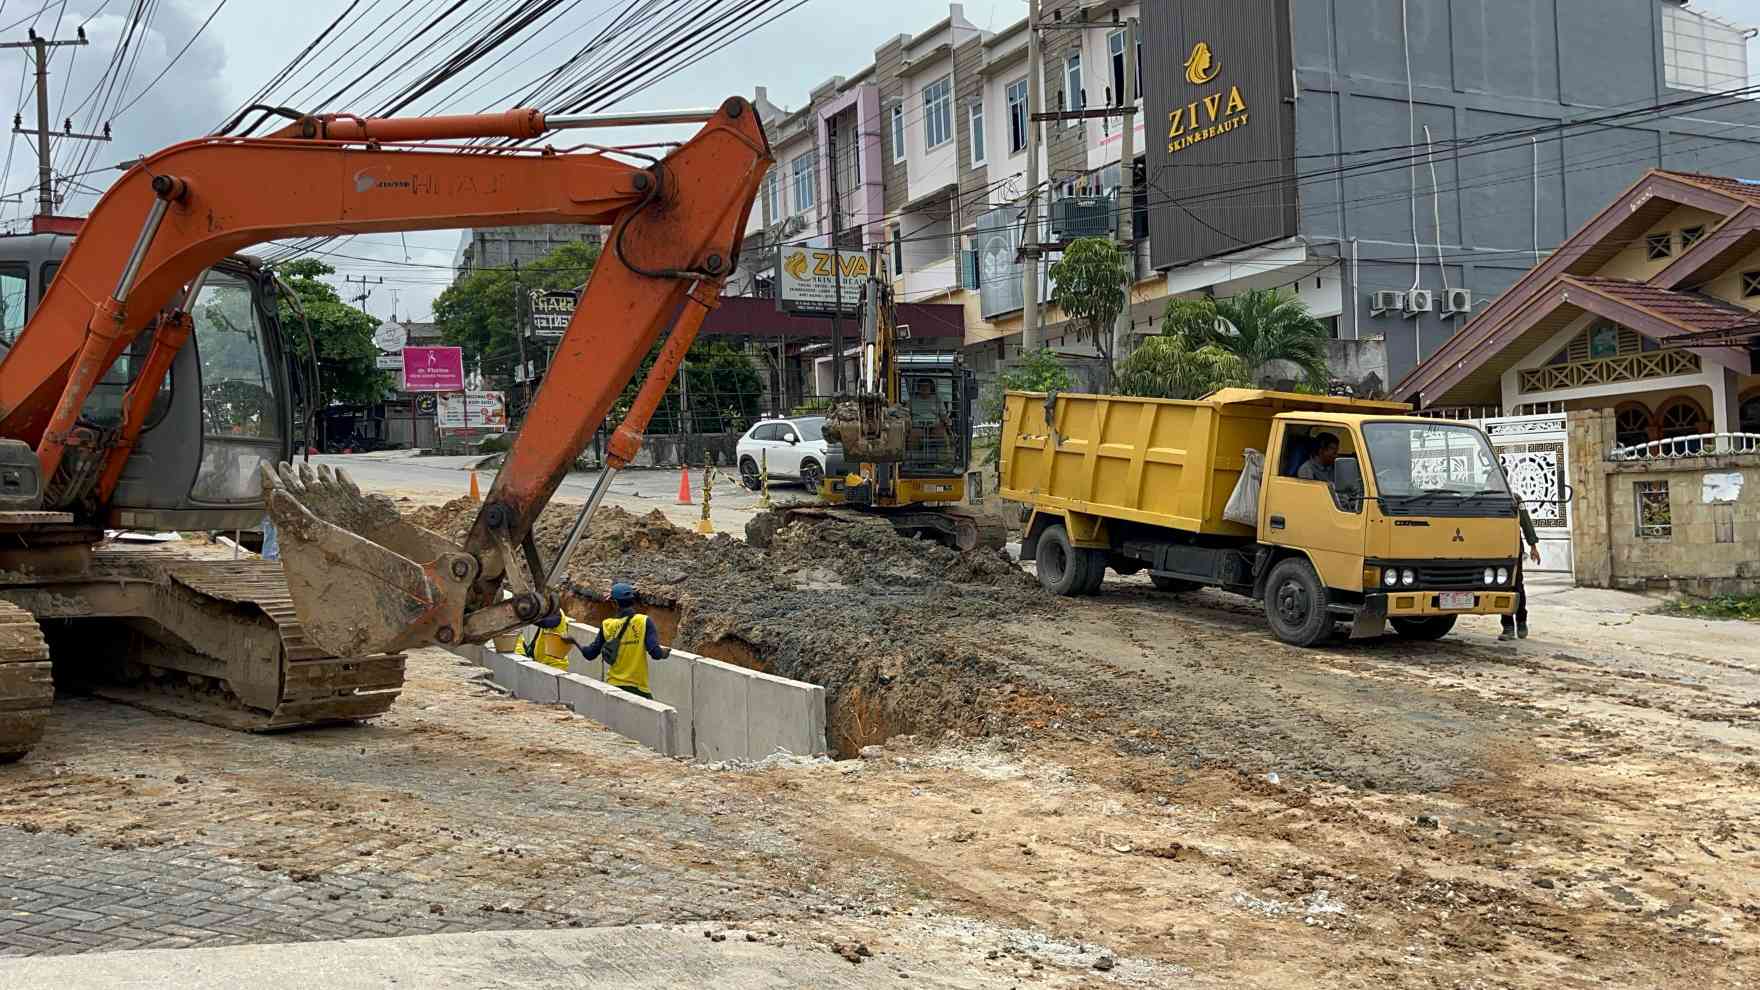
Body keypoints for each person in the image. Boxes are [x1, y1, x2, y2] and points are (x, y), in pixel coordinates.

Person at [579, 581, 669, 699]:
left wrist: (574, 642)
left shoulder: (607, 625)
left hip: (614, 688)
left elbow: (590, 654)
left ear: (615, 603)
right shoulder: (644, 621)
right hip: (639, 689)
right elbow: (656, 653)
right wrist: (664, 653)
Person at [1500, 504, 1543, 642]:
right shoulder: (1485, 498)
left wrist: (1533, 547)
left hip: (1513, 548)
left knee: (1517, 585)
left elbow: (1526, 524)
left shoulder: (1515, 500)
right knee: (1503, 587)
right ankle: (1507, 626)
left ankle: (1521, 622)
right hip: (1495, 548)